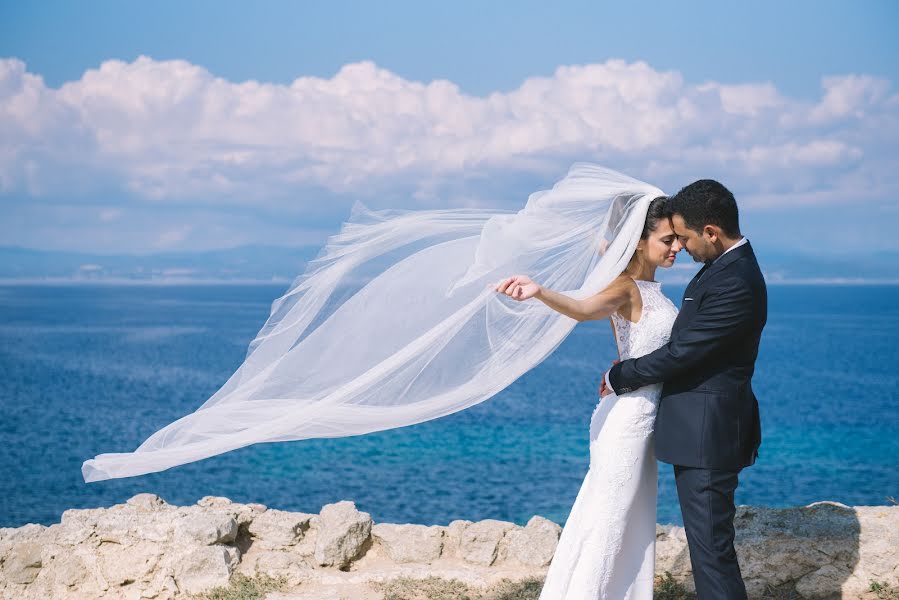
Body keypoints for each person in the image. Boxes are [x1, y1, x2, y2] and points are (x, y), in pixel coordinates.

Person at [495, 196, 680, 599]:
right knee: (608, 524)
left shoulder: (646, 284)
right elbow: (582, 308)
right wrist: (540, 291)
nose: (677, 247)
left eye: (678, 239)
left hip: (636, 412)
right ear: (639, 241)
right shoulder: (623, 287)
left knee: (627, 521)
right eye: (667, 239)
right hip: (628, 420)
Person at [602, 179, 767, 599]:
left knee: (711, 552)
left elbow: (682, 354)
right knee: (708, 549)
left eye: (688, 238)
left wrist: (620, 376)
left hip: (708, 436)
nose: (684, 248)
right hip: (699, 431)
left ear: (711, 232)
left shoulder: (736, 281)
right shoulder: (723, 268)